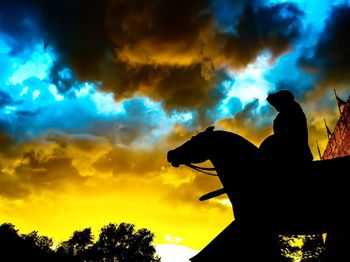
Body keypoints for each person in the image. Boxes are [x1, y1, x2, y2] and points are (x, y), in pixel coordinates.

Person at [259, 90, 313, 162]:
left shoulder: (293, 113)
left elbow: (289, 138)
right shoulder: (290, 113)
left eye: (277, 102)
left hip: (295, 154)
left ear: (283, 101)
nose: (275, 106)